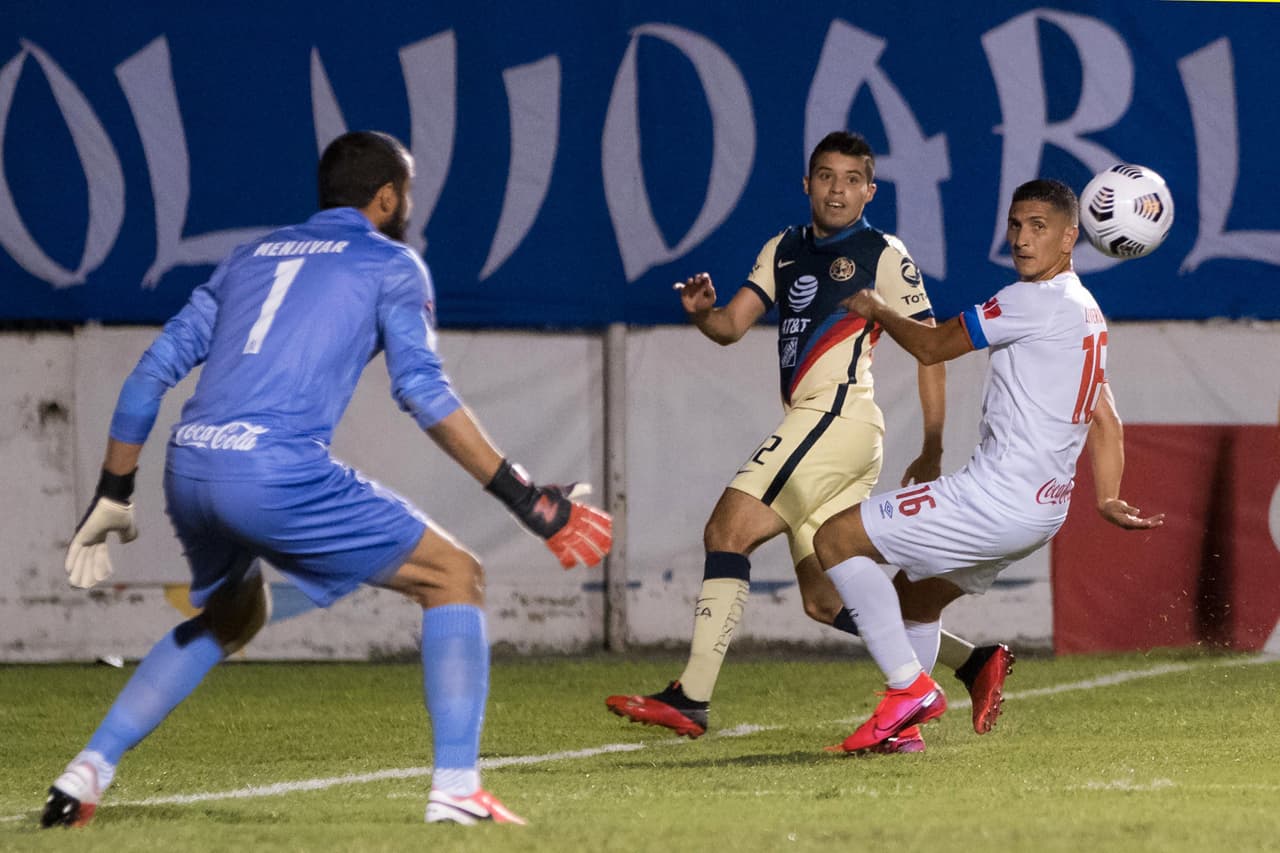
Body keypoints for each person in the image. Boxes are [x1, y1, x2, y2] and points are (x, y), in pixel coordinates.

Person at [41, 131, 612, 828]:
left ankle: (88, 769)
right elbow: (423, 394)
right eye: (407, 195)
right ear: (387, 197)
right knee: (453, 576)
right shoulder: (390, 262)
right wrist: (525, 496)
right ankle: (458, 787)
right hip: (272, 470)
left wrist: (114, 490)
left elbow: (148, 374)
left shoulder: (247, 259)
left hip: (189, 464)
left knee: (230, 615)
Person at [606, 131, 1013, 751]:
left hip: (837, 418)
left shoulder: (881, 251)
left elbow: (931, 350)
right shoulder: (784, 247)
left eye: (852, 179)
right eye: (826, 176)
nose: (838, 189)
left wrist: (932, 444)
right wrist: (702, 313)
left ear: (869, 190)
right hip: (823, 428)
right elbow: (731, 327)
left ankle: (691, 697)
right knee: (826, 600)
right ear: (807, 184)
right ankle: (971, 661)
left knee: (727, 532)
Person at [814, 178, 1164, 754]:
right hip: (1041, 514)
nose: (1023, 239)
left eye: (1039, 227)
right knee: (915, 600)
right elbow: (1107, 418)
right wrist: (1105, 497)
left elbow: (932, 347)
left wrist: (877, 308)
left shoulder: (1031, 300)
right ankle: (903, 735)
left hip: (994, 500)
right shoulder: (1087, 311)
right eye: (1016, 225)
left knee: (835, 539)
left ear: (1071, 236)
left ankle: (909, 691)